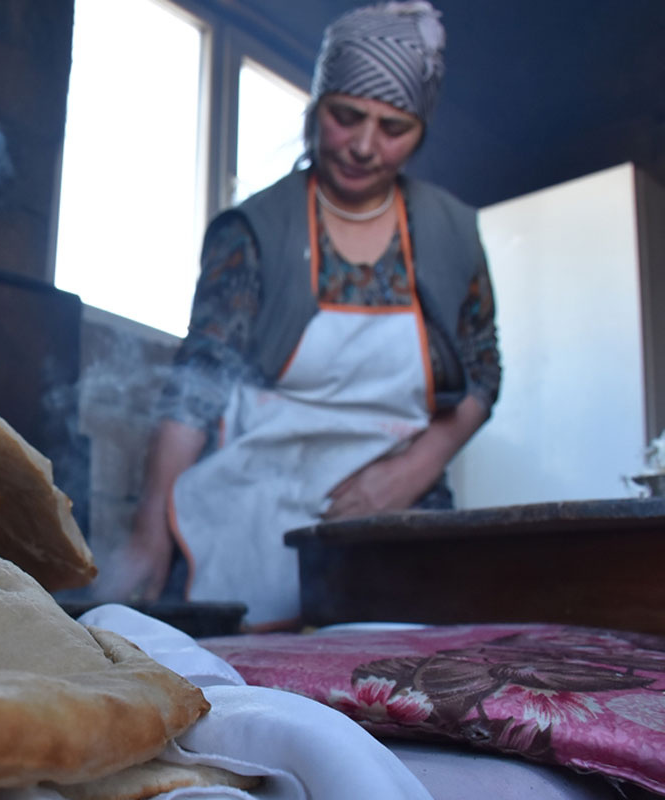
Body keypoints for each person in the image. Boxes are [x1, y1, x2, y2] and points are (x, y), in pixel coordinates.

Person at [107, 0, 501, 627]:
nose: (365, 146)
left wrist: (409, 474)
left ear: (421, 131)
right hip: (255, 496)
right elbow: (196, 387)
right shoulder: (255, 232)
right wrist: (148, 532)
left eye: (393, 128)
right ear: (316, 108)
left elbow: (483, 376)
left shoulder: (452, 234)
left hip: (396, 505)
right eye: (347, 118)